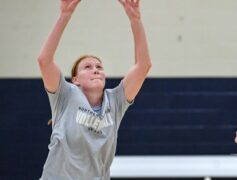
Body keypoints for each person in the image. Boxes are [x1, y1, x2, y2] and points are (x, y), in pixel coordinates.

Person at [37, 0, 151, 179]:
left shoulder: (115, 101)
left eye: (99, 66)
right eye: (87, 67)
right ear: (75, 80)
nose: (96, 69)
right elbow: (44, 60)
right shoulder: (65, 95)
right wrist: (64, 15)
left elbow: (143, 66)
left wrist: (135, 19)